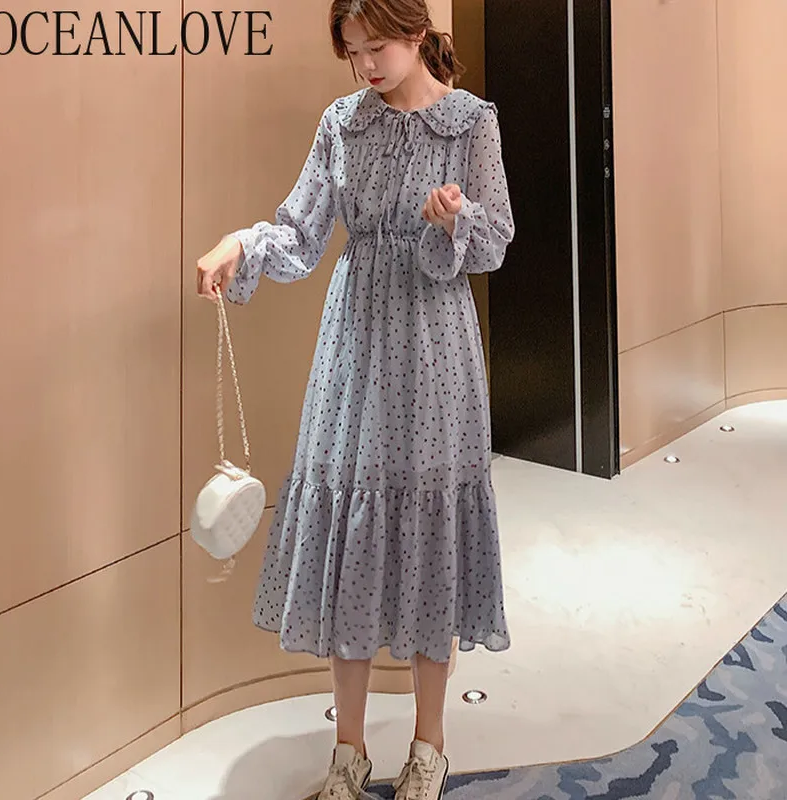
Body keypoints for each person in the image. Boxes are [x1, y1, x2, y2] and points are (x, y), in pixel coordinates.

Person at [196, 0, 514, 797]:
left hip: (436, 345)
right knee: (351, 534)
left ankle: (429, 746)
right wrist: (241, 243)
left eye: (376, 47)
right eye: (351, 51)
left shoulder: (471, 123)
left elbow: (496, 239)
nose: (365, 65)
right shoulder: (342, 123)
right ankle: (348, 752)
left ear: (415, 35)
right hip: (356, 343)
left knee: (432, 533)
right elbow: (302, 232)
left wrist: (455, 220)